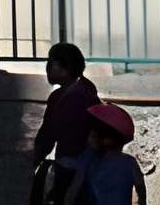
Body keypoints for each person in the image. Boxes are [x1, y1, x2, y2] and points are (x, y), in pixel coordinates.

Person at [28, 43, 100, 205]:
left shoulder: (63, 98)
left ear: (63, 67)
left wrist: (32, 163)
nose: (47, 67)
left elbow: (47, 136)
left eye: (50, 62)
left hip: (70, 173)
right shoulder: (88, 91)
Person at [68, 103, 148, 205]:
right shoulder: (130, 162)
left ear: (106, 139)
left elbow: (72, 192)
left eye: (93, 136)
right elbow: (141, 191)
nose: (89, 139)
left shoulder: (88, 160)